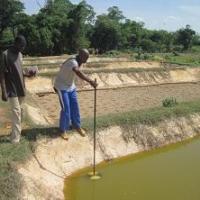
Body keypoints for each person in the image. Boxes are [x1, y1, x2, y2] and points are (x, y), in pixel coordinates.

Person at [54, 49, 97, 140]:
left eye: (87, 58)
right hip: (61, 86)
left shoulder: (78, 59)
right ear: (81, 56)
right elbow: (78, 72)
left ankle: (76, 125)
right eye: (85, 58)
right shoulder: (73, 62)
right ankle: (63, 130)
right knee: (66, 109)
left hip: (70, 86)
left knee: (75, 106)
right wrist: (90, 81)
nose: (86, 60)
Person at [0, 35, 35, 143]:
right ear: (16, 43)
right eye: (21, 46)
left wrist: (28, 74)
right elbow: (1, 74)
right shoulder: (5, 55)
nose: (23, 48)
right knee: (16, 112)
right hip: (11, 89)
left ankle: (15, 133)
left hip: (21, 88)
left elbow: (19, 71)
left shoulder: (20, 54)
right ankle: (15, 139)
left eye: (24, 46)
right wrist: (4, 91)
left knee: (20, 111)